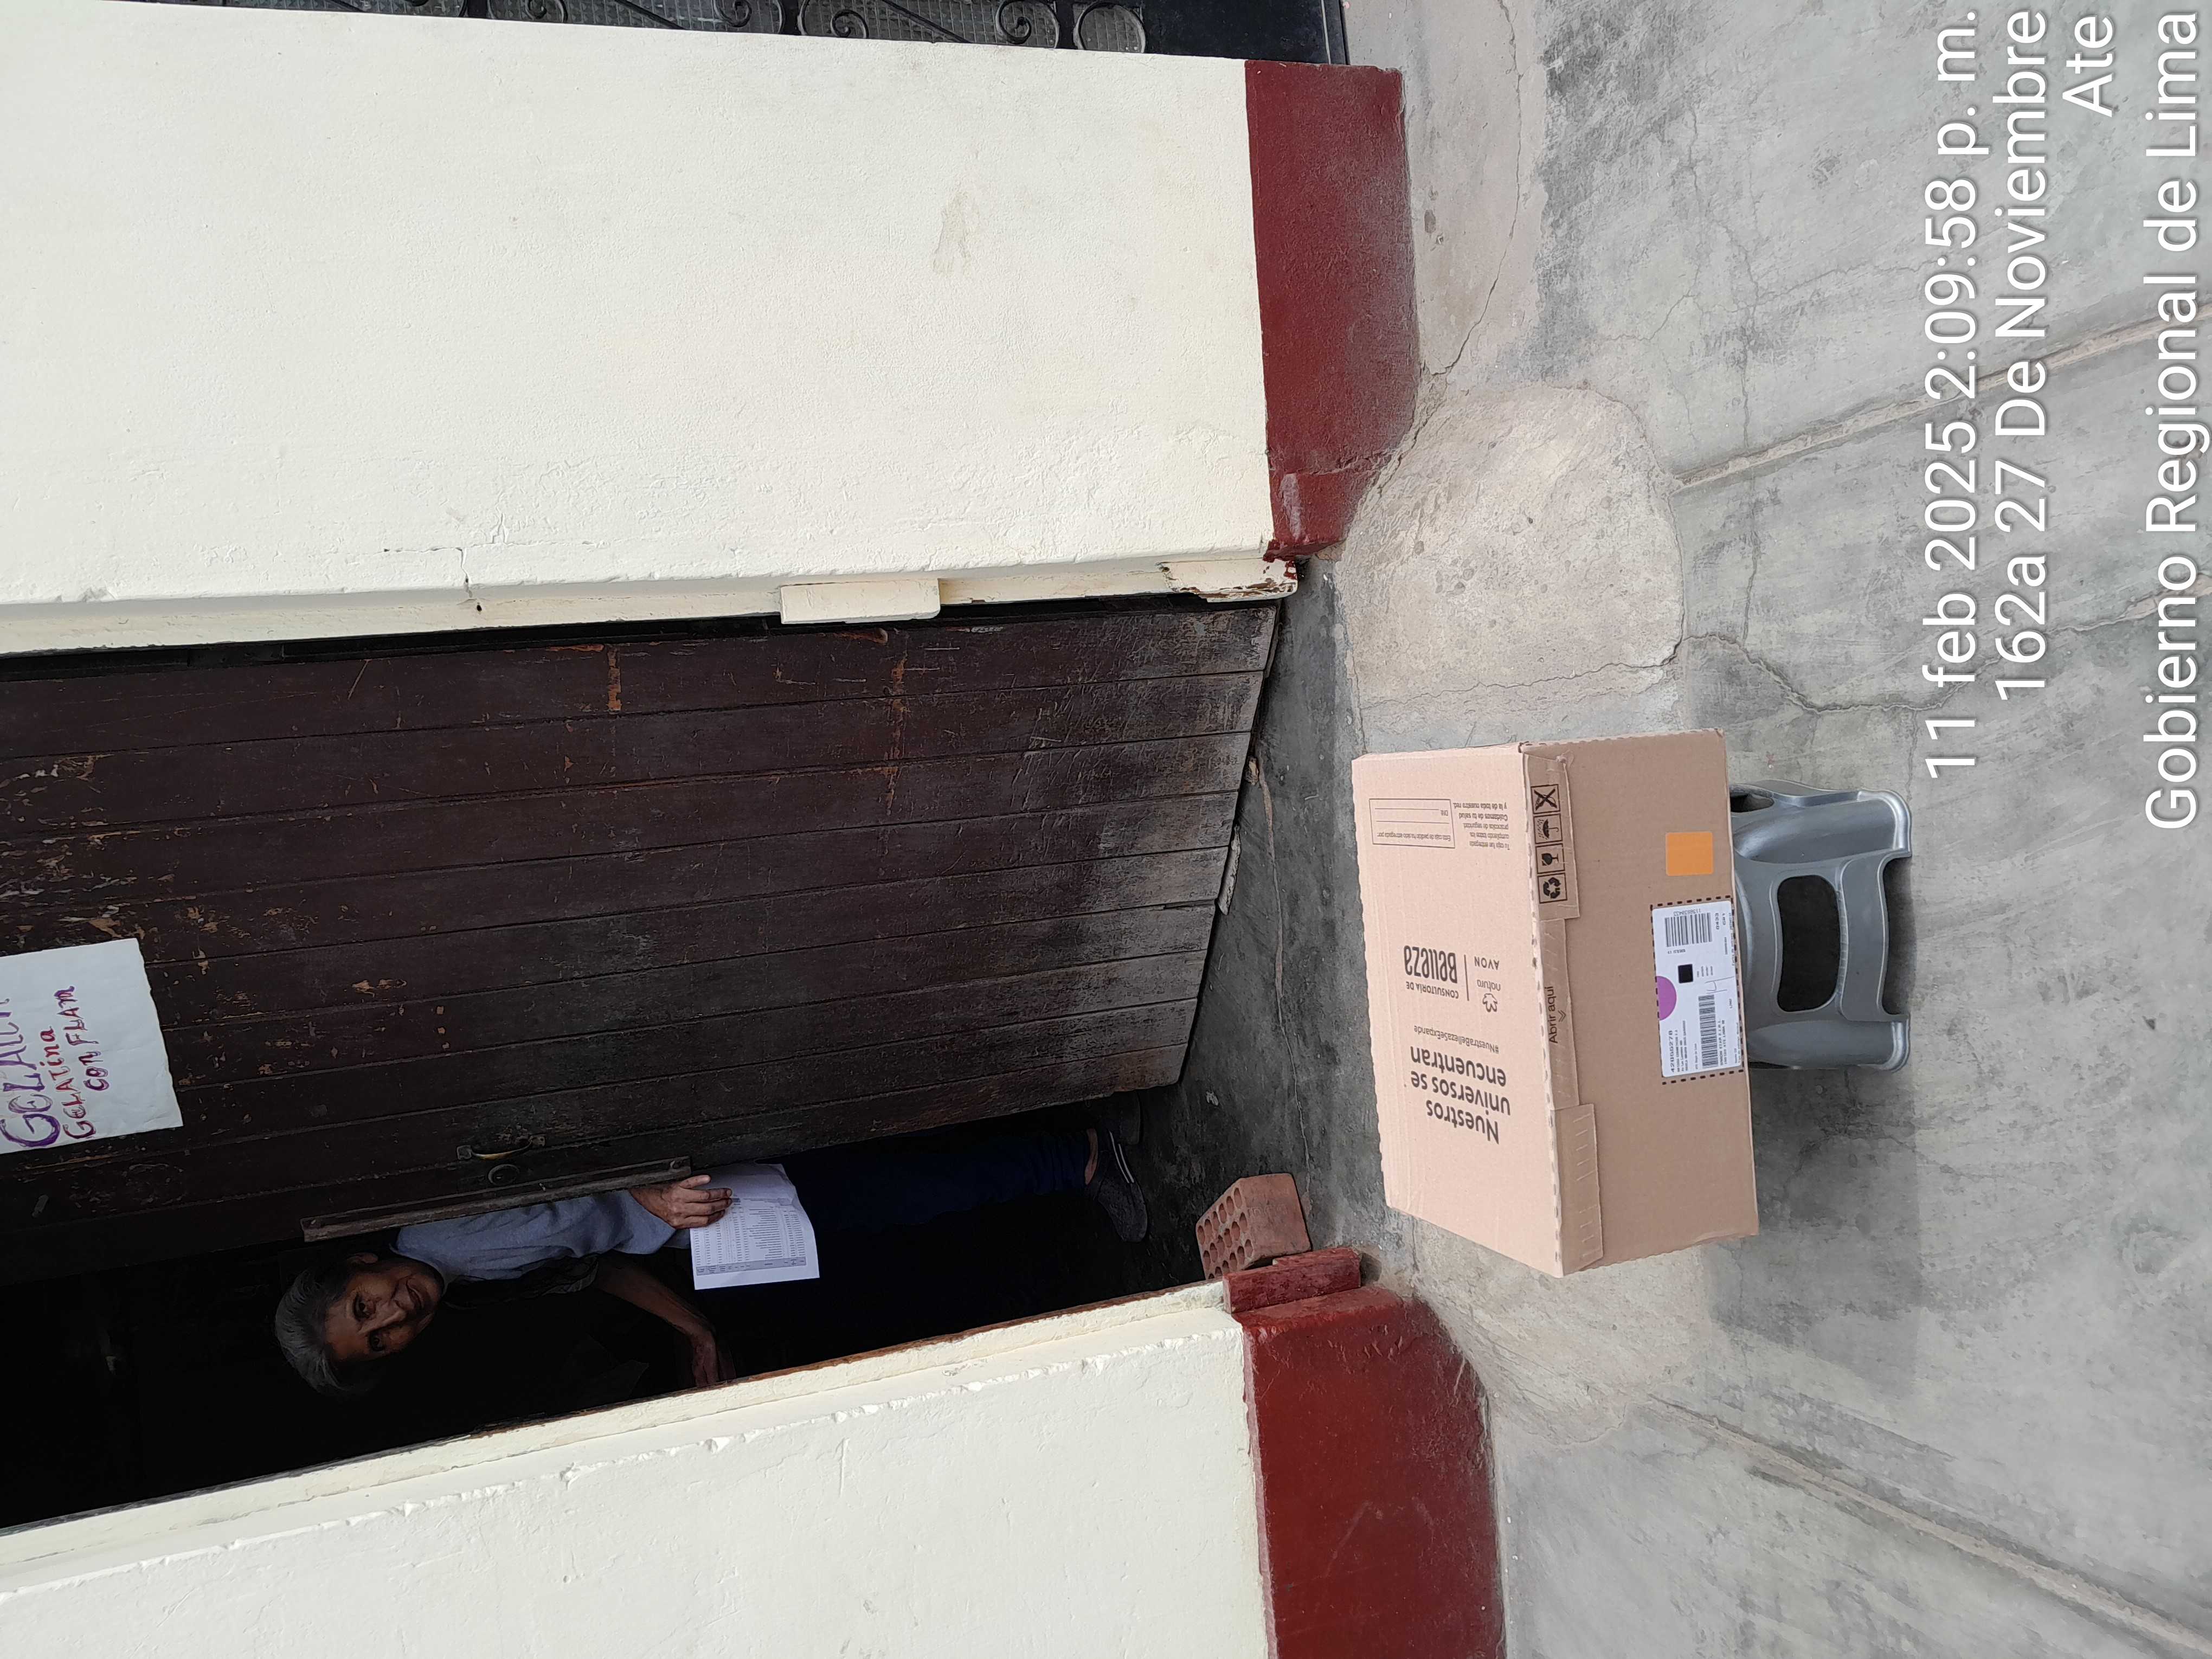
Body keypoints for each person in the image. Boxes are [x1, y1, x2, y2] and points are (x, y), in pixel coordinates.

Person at [275, 1125, 1144, 1400]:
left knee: (892, 1192)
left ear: (359, 1263)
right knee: (887, 1198)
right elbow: (596, 1260)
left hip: (693, 1186)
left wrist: (645, 1185)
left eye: (363, 1307)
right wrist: (694, 1329)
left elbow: (545, 1149)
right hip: (697, 1226)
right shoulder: (464, 1288)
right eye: (378, 1341)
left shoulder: (436, 1232)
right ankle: (1063, 1155)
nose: (393, 1315)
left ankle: (1080, 1156)